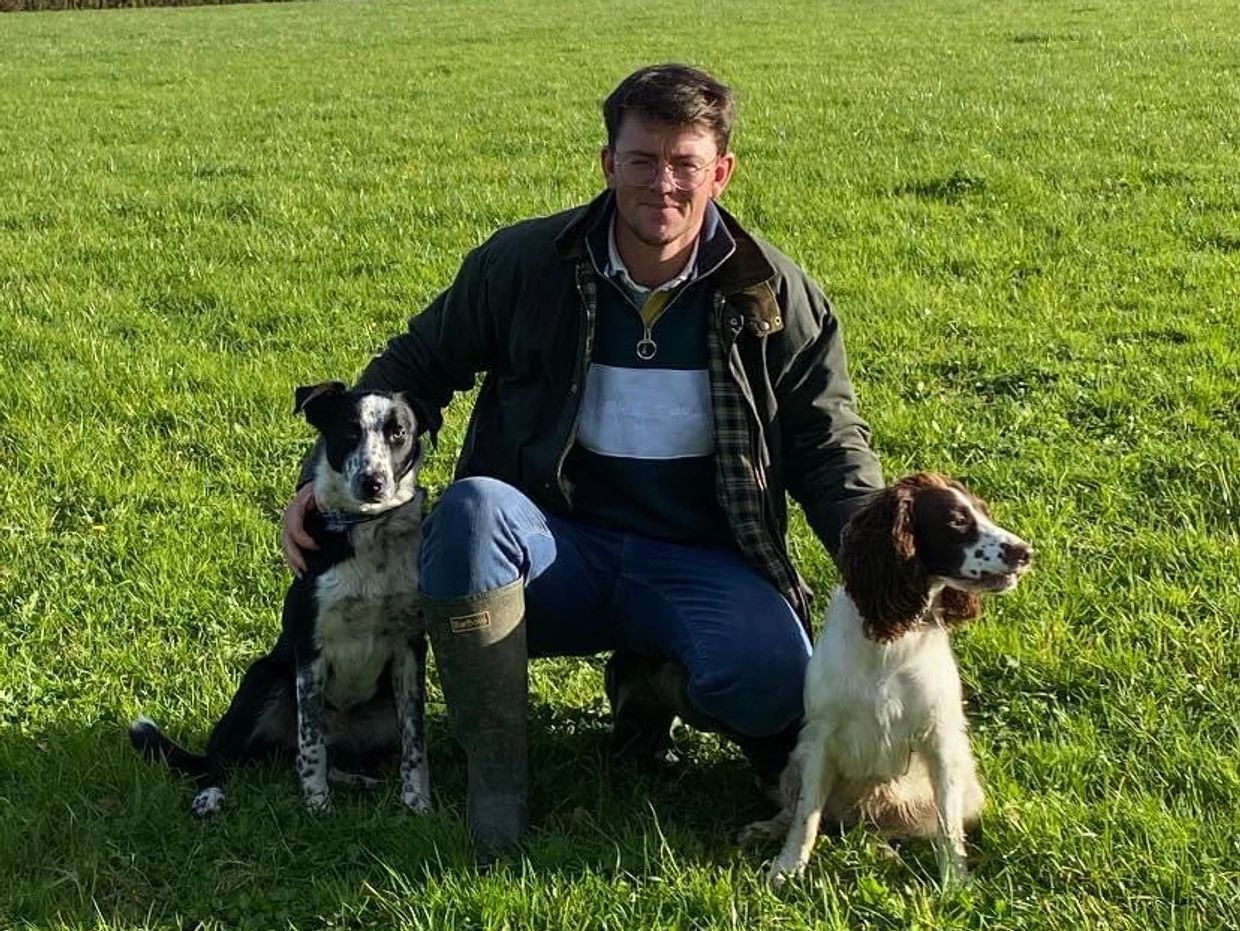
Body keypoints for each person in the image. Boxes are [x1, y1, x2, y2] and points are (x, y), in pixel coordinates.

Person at [282, 63, 883, 859]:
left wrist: (884, 560)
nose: (661, 183)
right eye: (641, 159)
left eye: (684, 164)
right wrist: (315, 486)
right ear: (608, 162)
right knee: (468, 514)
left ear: (722, 171)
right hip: (553, 548)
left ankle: (654, 679)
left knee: (774, 678)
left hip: (698, 557)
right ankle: (498, 778)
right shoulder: (525, 262)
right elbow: (415, 367)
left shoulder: (775, 294)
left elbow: (827, 445)